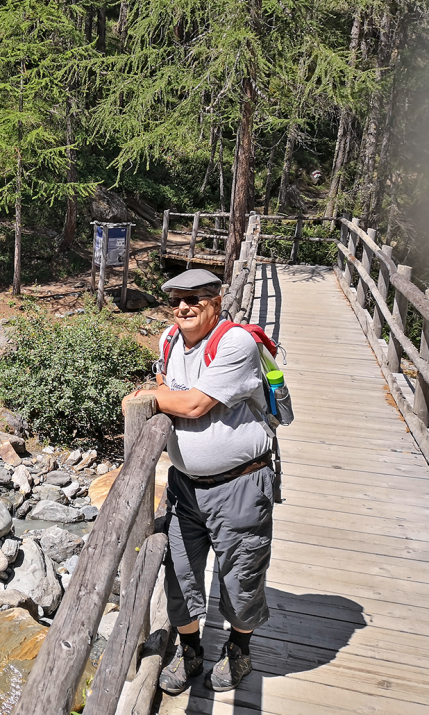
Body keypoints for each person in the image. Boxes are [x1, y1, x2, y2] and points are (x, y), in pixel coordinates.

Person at [121, 268, 274, 694]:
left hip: (239, 484)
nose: (184, 307)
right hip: (185, 485)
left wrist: (141, 399)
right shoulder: (169, 340)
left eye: (196, 298)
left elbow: (193, 404)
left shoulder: (236, 342)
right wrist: (154, 395)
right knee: (180, 575)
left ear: (217, 302)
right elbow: (166, 386)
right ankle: (190, 650)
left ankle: (239, 651)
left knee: (241, 576)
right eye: (177, 300)